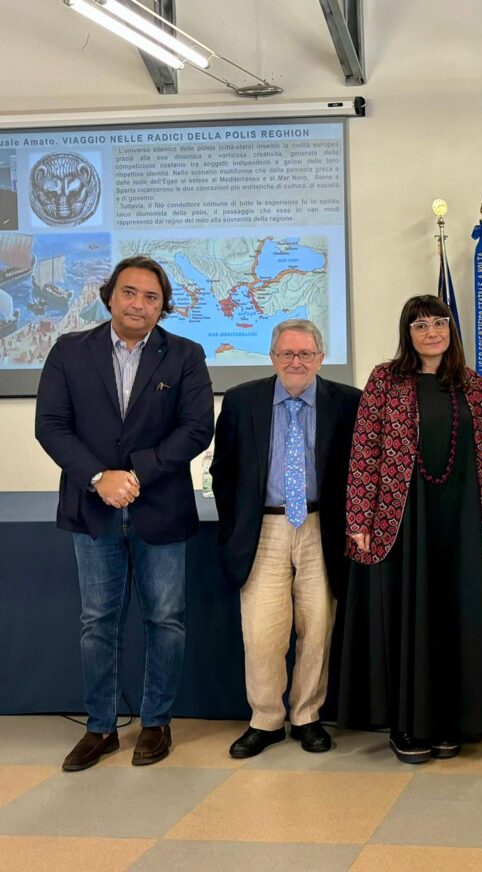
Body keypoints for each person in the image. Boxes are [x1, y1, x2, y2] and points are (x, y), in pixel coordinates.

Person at [35, 255, 214, 770]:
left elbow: (197, 428)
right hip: (92, 510)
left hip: (161, 506)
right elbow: (51, 425)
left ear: (163, 306)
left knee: (166, 618)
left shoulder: (185, 354)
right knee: (98, 621)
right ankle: (100, 727)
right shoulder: (69, 351)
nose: (139, 304)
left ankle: (156, 722)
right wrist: (99, 477)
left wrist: (134, 473)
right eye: (130, 293)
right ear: (109, 296)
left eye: (151, 297)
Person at [340, 296, 482, 764]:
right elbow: (365, 449)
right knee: (409, 616)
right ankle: (408, 726)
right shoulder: (385, 379)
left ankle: (447, 721)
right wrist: (359, 519)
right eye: (420, 324)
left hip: (459, 523)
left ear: (451, 329)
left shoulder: (471, 384)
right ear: (408, 332)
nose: (432, 331)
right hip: (403, 520)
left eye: (440, 322)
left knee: (453, 618)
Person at [210, 319, 361, 758]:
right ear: (273, 357)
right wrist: (235, 528)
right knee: (262, 632)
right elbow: (223, 472)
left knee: (317, 628)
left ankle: (307, 716)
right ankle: (265, 720)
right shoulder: (242, 401)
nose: (296, 362)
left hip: (321, 527)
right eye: (287, 354)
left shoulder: (347, 402)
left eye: (306, 354)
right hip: (265, 527)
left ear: (320, 357)